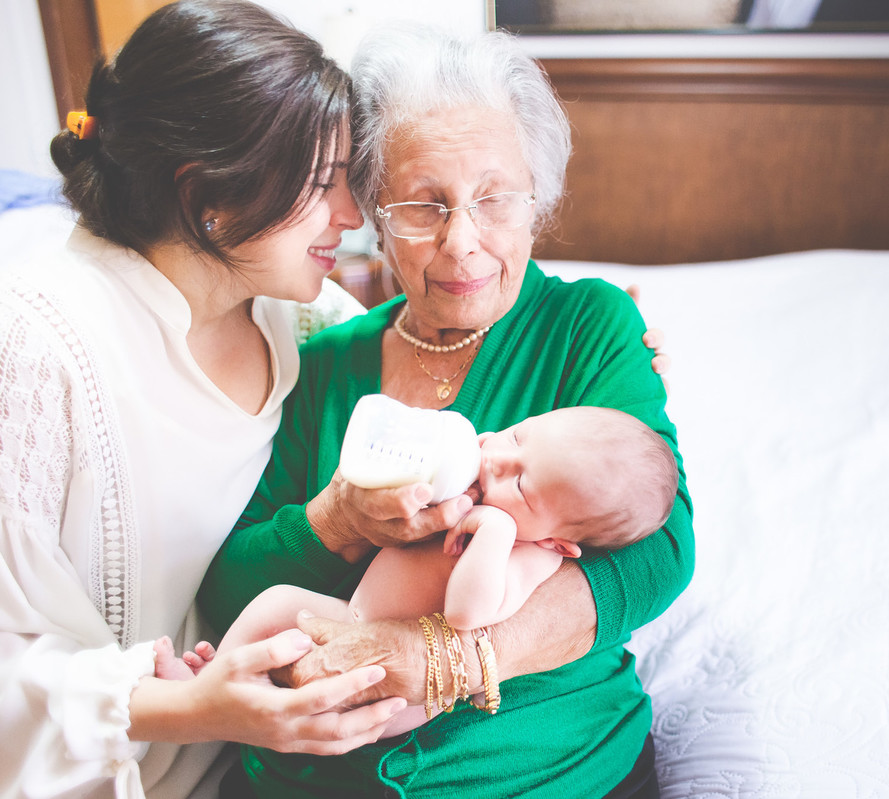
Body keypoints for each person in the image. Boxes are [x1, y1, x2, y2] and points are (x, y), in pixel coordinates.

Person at [197, 22, 695, 799]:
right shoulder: (323, 361)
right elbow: (225, 588)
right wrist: (337, 519)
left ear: (539, 200)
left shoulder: (589, 324)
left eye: (495, 199)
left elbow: (661, 548)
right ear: (373, 211)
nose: (463, 242)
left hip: (546, 766)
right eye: (423, 206)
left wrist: (444, 658)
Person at [0, 2, 428, 797]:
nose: (351, 215)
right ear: (210, 196)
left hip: (254, 767)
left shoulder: (301, 316)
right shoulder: (36, 342)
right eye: (321, 184)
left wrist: (596, 358)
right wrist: (190, 707)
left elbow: (428, 359)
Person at [158, 404, 677, 740]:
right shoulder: (475, 486)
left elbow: (467, 613)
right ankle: (214, 683)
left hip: (403, 691)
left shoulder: (532, 555)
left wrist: (493, 532)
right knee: (275, 604)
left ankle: (224, 709)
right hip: (348, 614)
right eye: (516, 439)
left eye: (521, 485)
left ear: (558, 539)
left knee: (330, 714)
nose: (495, 459)